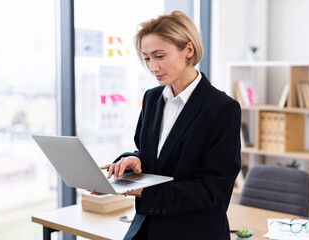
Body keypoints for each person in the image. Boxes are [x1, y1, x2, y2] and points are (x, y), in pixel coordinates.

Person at [102, 10, 241, 240]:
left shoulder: (222, 108)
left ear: (188, 49)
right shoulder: (152, 98)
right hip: (146, 229)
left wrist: (145, 192)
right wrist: (134, 160)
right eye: (147, 58)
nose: (152, 67)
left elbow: (212, 189)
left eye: (159, 56)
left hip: (193, 233)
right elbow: (152, 156)